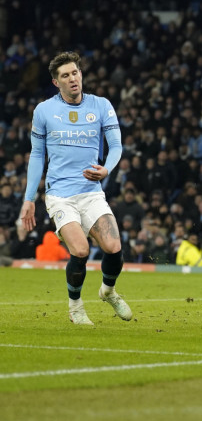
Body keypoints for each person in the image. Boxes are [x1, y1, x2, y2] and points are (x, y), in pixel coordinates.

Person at [18, 51, 132, 325]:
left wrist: (106, 169)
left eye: (75, 72)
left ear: (81, 74)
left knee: (113, 246)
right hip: (60, 195)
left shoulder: (101, 105)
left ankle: (108, 291)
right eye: (65, 75)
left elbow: (116, 146)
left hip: (91, 192)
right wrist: (29, 198)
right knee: (80, 251)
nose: (72, 79)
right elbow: (37, 155)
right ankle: (75, 306)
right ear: (56, 82)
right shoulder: (44, 110)